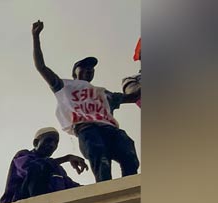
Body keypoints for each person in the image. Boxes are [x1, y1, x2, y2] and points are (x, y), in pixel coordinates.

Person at [32, 20, 140, 182]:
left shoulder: (103, 93)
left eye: (91, 69)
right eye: (84, 67)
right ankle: (105, 191)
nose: (89, 70)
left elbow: (132, 97)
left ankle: (132, 188)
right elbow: (41, 67)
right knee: (101, 160)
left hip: (110, 129)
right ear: (75, 72)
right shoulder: (65, 86)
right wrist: (36, 37)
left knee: (129, 155)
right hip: (87, 129)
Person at [0, 127, 89, 203]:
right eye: (48, 140)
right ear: (36, 143)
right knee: (38, 168)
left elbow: (70, 186)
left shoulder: (57, 168)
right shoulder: (23, 155)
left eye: (55, 142)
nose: (52, 145)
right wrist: (66, 158)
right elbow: (31, 169)